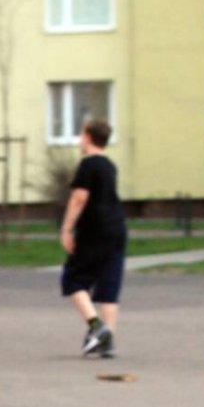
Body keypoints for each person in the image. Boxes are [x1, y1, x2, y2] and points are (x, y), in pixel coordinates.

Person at [58, 119, 128, 358]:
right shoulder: (109, 165)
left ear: (88, 137)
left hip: (94, 230)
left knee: (73, 279)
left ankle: (98, 328)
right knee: (109, 283)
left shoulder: (88, 165)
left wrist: (66, 229)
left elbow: (79, 198)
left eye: (81, 135)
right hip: (117, 228)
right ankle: (107, 342)